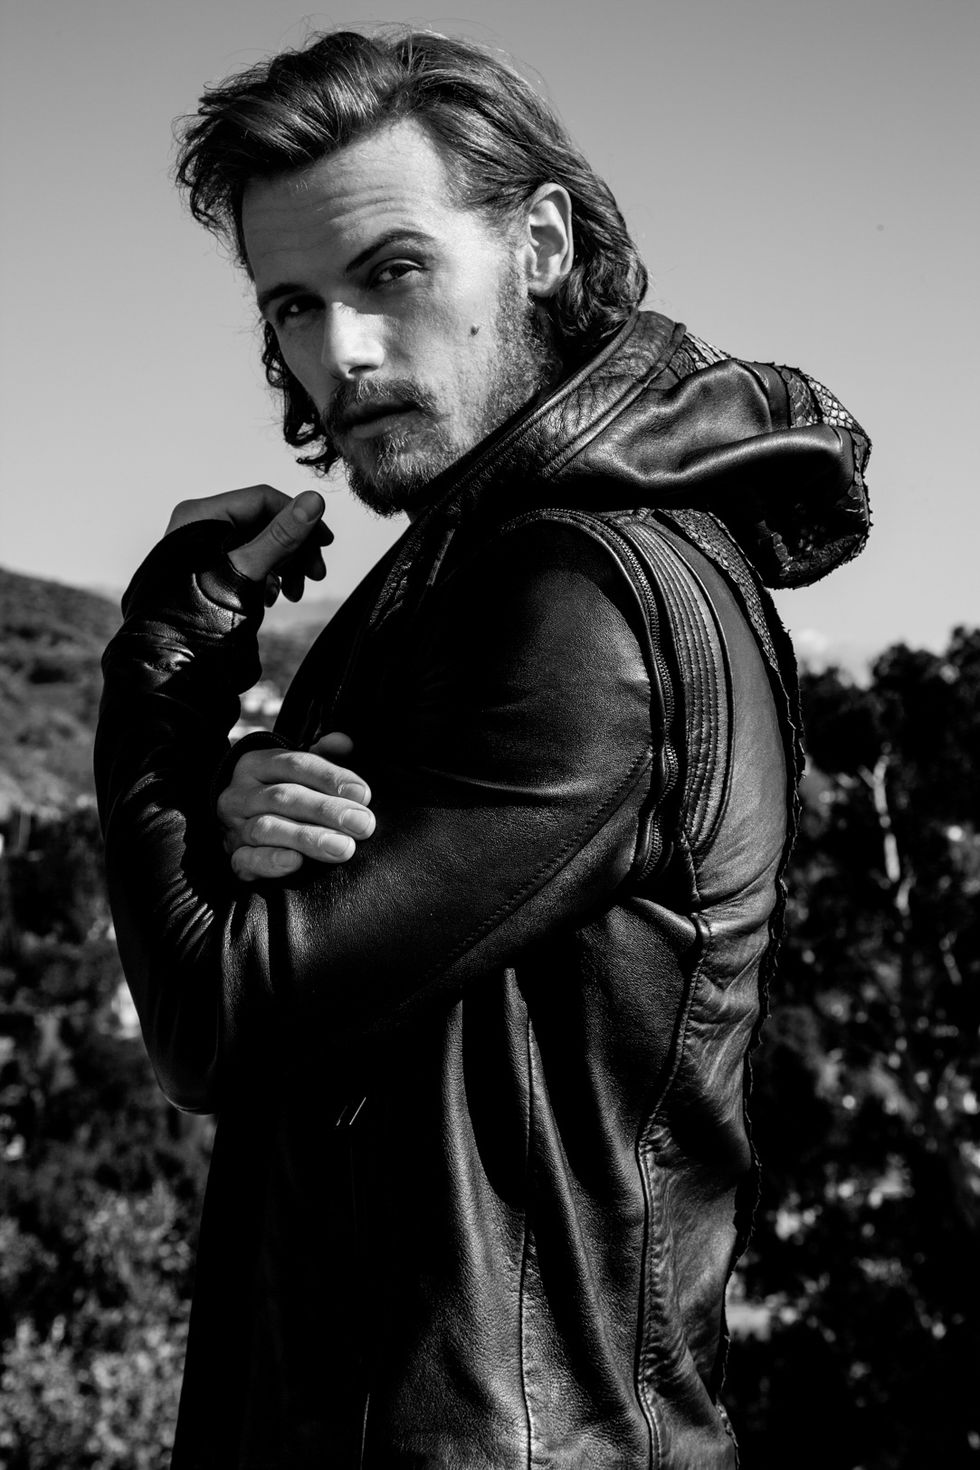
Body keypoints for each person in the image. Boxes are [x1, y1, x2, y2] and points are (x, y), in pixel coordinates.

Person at [94, 28, 871, 1470]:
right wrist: (228, 825)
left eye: (392, 271)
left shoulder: (578, 600)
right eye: (295, 305)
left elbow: (214, 1018)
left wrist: (167, 660)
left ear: (541, 246)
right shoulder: (474, 570)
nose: (344, 353)